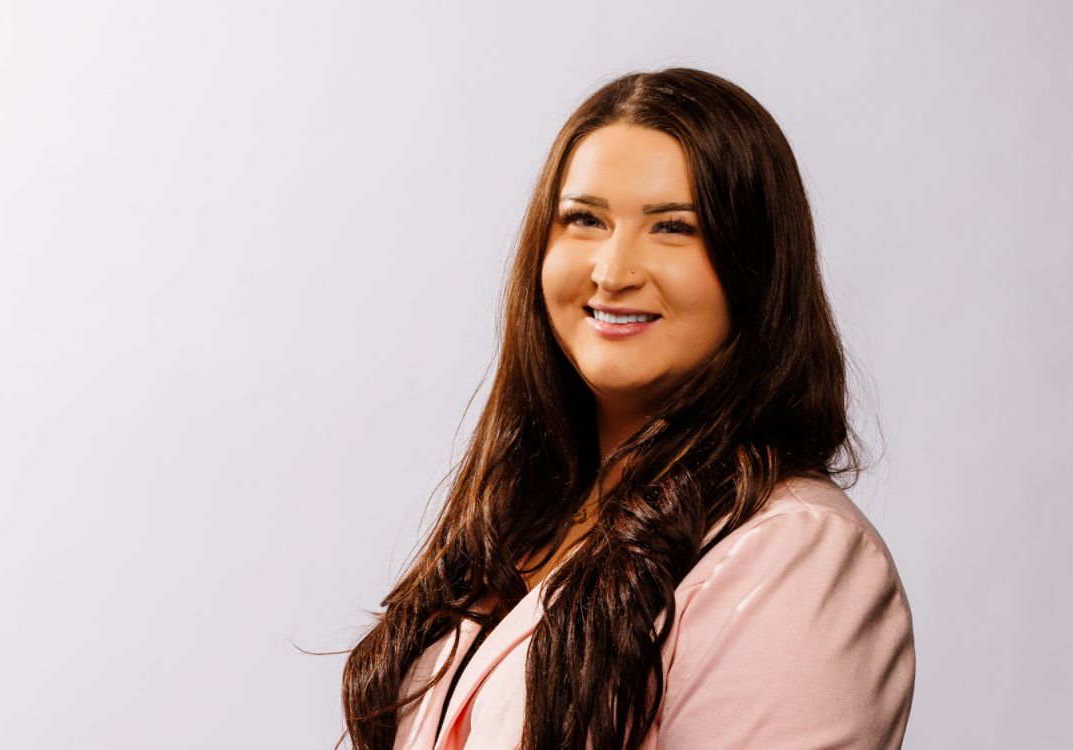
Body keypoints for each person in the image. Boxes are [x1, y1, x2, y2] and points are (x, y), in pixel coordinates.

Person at [337, 67, 915, 750]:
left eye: (673, 228)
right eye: (584, 220)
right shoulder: (523, 520)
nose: (613, 271)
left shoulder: (800, 553)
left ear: (755, 268)